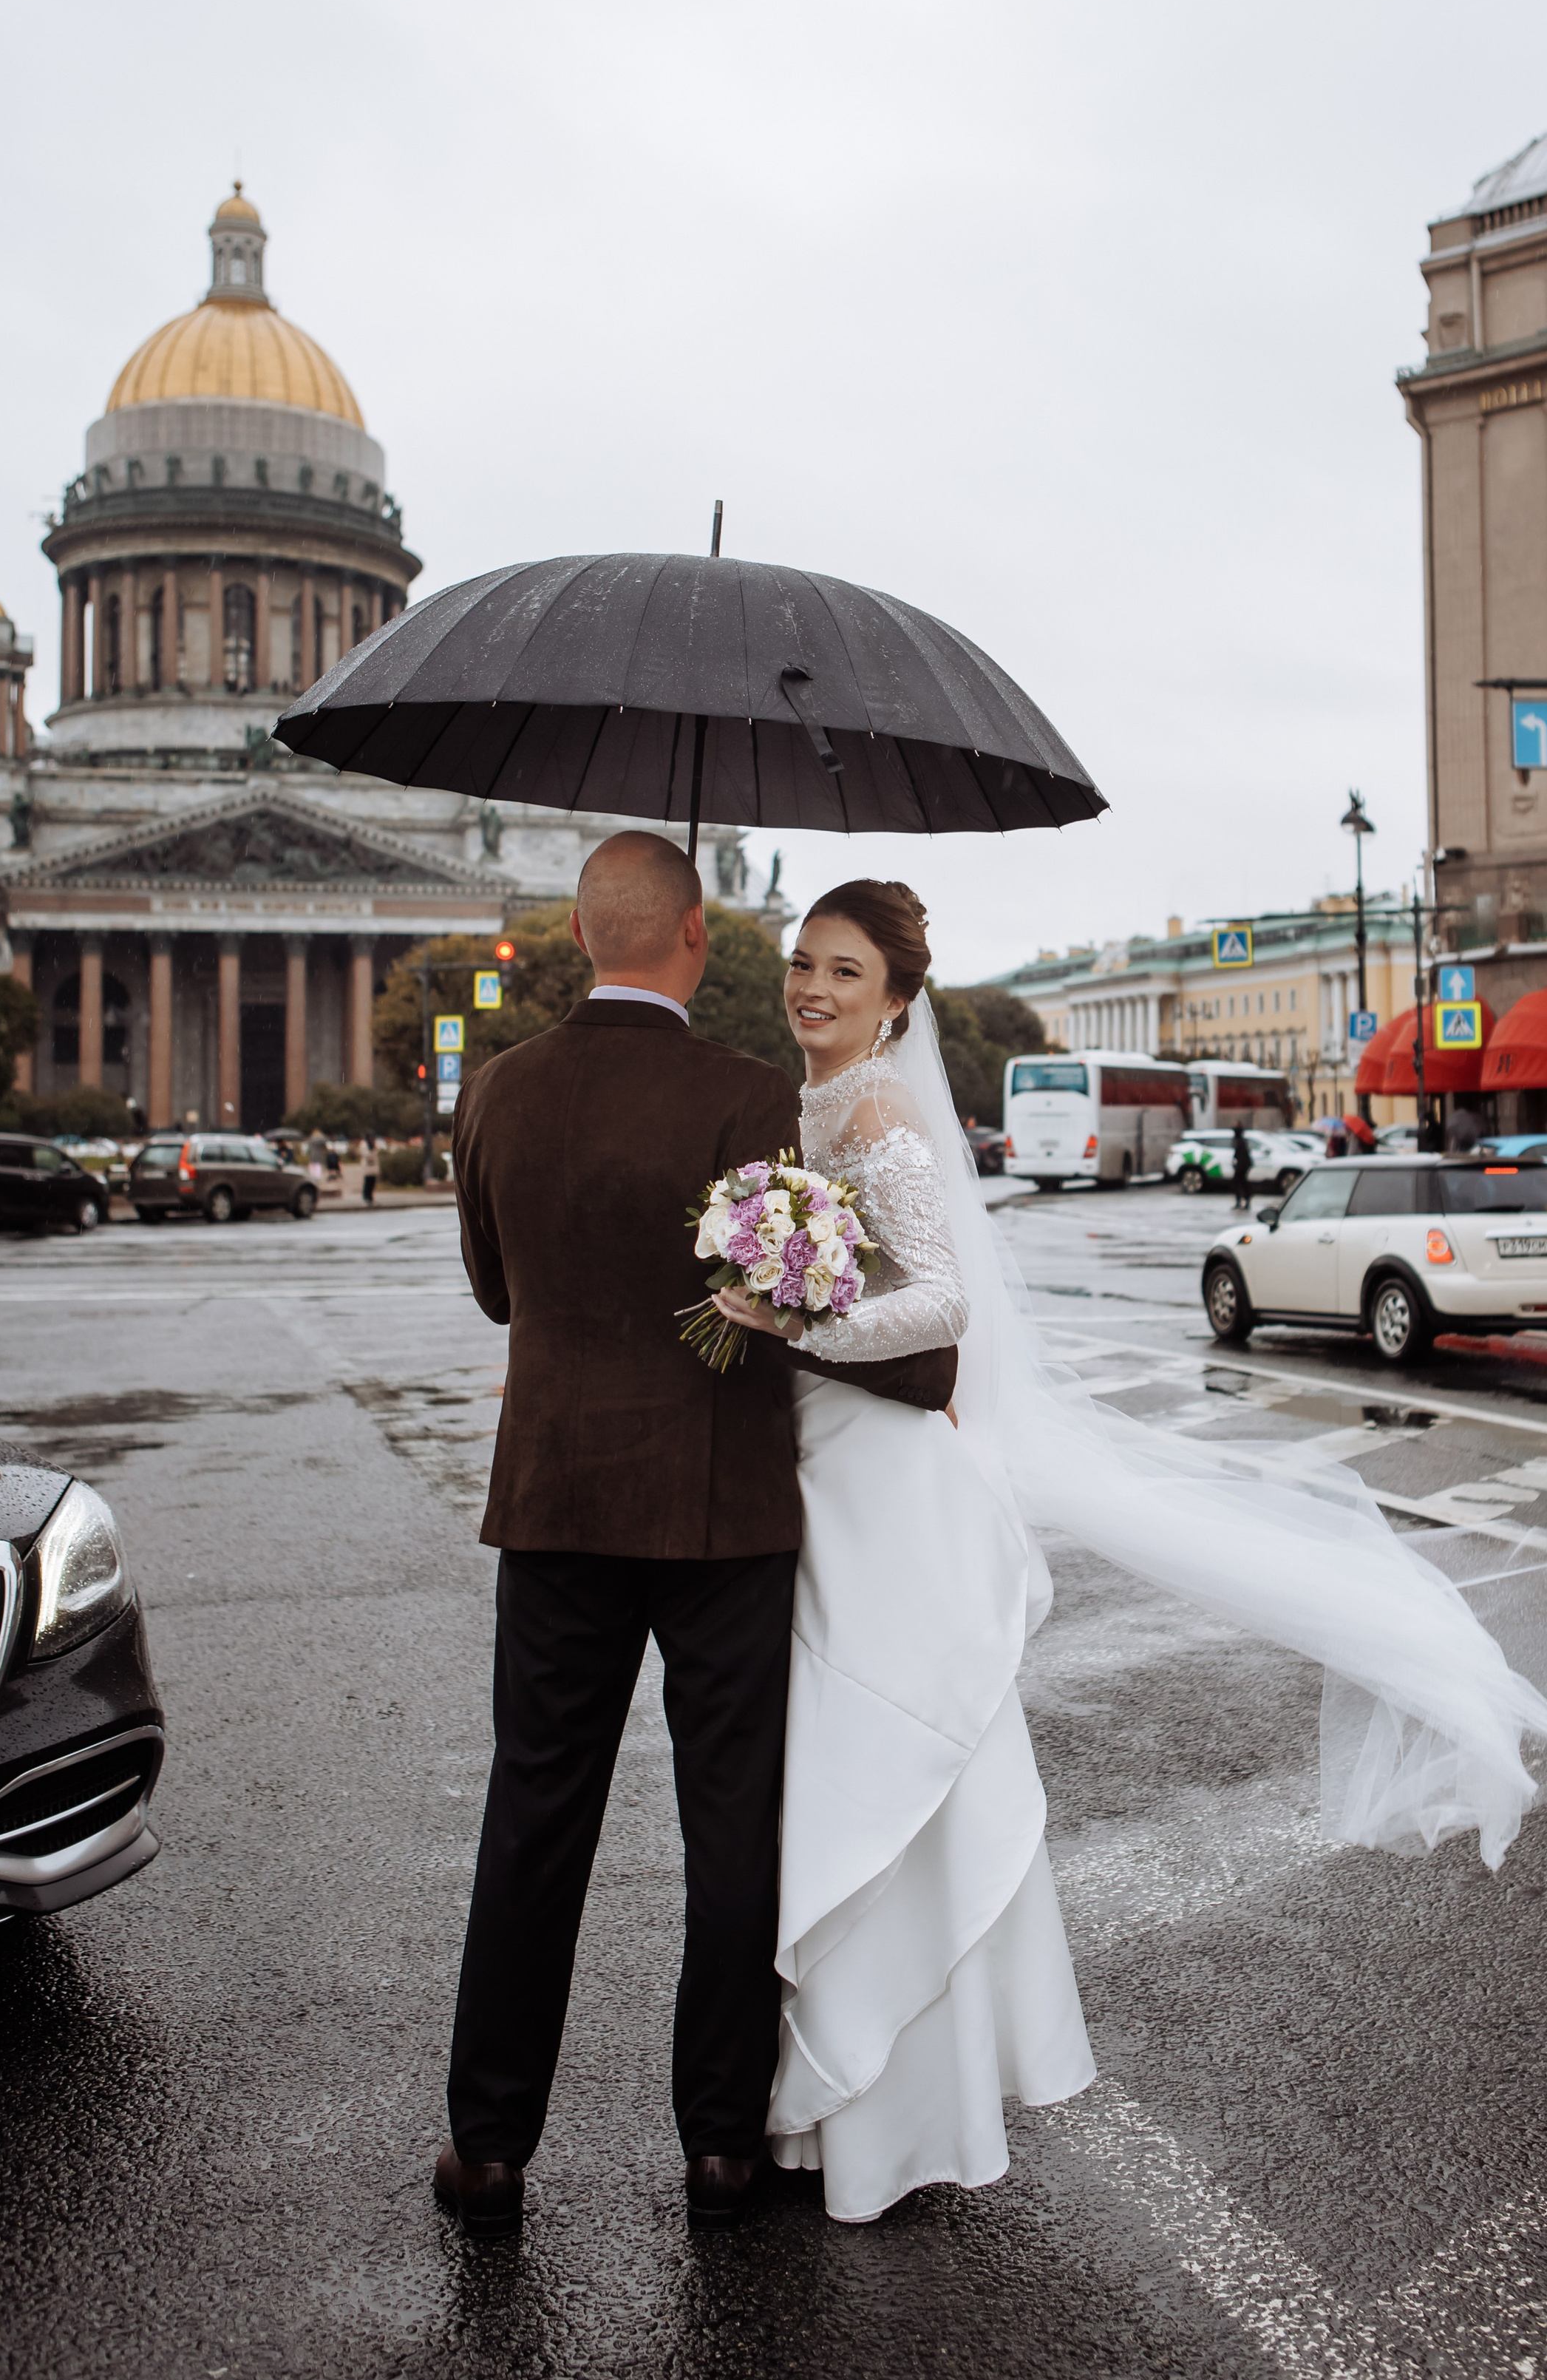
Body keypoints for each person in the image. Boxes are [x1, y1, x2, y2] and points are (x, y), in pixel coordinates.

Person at [709, 881, 1547, 2225]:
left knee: (887, 1758)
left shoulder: (883, 1113)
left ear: (898, 1000)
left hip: (888, 1476)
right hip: (826, 1468)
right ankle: (848, 2103)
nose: (811, 988)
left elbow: (939, 1300)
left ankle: (882, 2112)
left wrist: (793, 1329)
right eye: (801, 963)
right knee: (845, 1768)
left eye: (842, 971)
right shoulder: (804, 1111)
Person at [433, 835, 952, 2238]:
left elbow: (495, 1294)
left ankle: (488, 2146)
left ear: (583, 933)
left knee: (534, 1820)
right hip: (724, 1517)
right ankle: (719, 2144)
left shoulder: (494, 1090)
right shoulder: (744, 1095)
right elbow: (792, 1285)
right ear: (695, 940)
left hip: (552, 1506)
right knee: (732, 1832)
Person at [1229, 1122, 1252, 1210]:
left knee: (1240, 1183)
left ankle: (1243, 1201)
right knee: (1241, 1183)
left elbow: (1242, 1157)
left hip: (1243, 1166)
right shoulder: (1240, 1141)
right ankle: (1242, 1201)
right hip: (1242, 1165)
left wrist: (1238, 1167)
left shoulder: (1241, 1142)